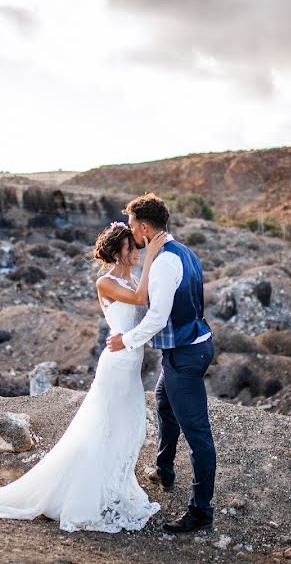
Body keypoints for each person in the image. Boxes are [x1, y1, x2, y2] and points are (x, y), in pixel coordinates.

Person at [0, 221, 167, 533]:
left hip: (130, 363)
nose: (137, 250)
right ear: (117, 252)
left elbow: (147, 302)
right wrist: (153, 253)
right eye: (132, 247)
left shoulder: (134, 279)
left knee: (124, 430)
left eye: (138, 247)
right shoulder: (105, 282)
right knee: (104, 429)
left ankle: (112, 489)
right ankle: (84, 497)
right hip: (116, 366)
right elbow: (140, 300)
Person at [106, 193, 216, 534]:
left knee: (198, 435)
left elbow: (156, 317)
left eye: (131, 226)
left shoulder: (166, 262)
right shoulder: (181, 250)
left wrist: (126, 340)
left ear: (142, 227)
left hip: (185, 354)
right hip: (187, 347)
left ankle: (200, 511)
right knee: (164, 403)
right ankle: (164, 469)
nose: (130, 233)